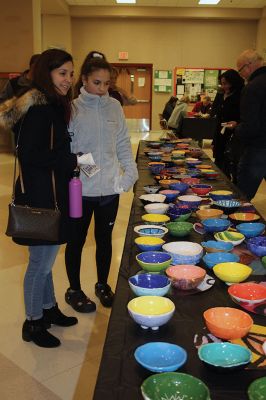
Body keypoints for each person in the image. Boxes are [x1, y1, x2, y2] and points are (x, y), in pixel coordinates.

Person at [0, 49, 79, 348]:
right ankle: (33, 322)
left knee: (45, 259)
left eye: (70, 74)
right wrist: (70, 159)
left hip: (47, 190)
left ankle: (48, 309)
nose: (67, 80)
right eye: (62, 73)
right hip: (40, 194)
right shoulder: (40, 108)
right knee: (40, 263)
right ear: (47, 73)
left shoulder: (50, 104)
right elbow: (31, 154)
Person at [64, 57, 138, 311]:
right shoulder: (72, 108)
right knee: (76, 240)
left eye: (107, 83)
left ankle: (102, 284)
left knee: (105, 239)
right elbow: (71, 148)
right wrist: (92, 171)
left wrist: (129, 173)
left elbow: (122, 144)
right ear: (83, 79)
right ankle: (74, 289)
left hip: (109, 191)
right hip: (80, 190)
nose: (102, 88)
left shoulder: (114, 107)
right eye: (97, 82)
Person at [235, 49, 266, 200]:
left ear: (249, 66)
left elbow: (251, 126)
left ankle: (239, 222)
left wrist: (237, 129)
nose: (241, 75)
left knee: (242, 196)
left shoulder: (253, 87)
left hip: (258, 148)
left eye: (240, 71)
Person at [210, 69, 244, 180]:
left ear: (233, 82)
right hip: (221, 135)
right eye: (222, 83)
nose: (224, 86)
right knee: (219, 167)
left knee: (232, 167)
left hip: (234, 137)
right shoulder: (220, 95)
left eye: (226, 83)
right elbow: (217, 117)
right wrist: (214, 141)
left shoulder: (240, 95)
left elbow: (245, 117)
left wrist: (237, 124)